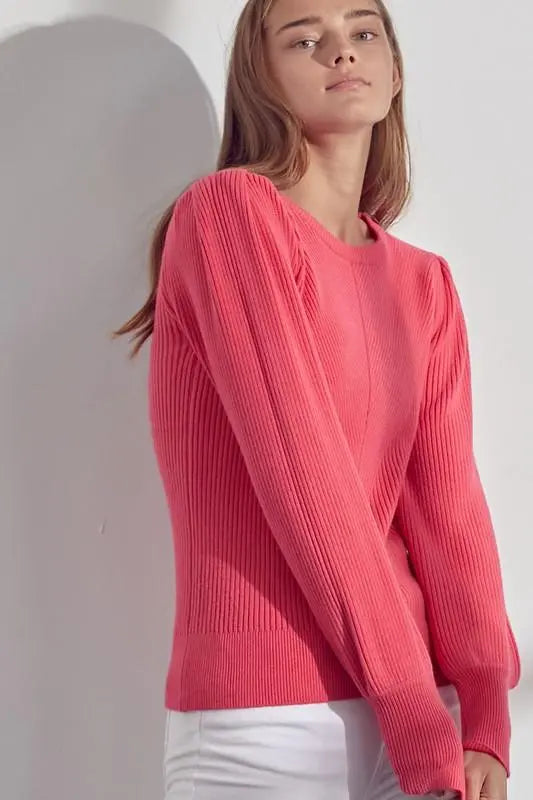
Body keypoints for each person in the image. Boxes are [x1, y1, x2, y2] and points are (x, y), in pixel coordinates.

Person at [113, 1, 521, 798]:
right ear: (259, 78)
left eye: (363, 32)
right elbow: (305, 483)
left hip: (424, 712)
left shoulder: (422, 282)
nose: (341, 51)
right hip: (268, 721)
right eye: (304, 39)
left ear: (394, 73)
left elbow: (448, 512)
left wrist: (482, 714)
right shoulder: (231, 214)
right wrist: (413, 715)